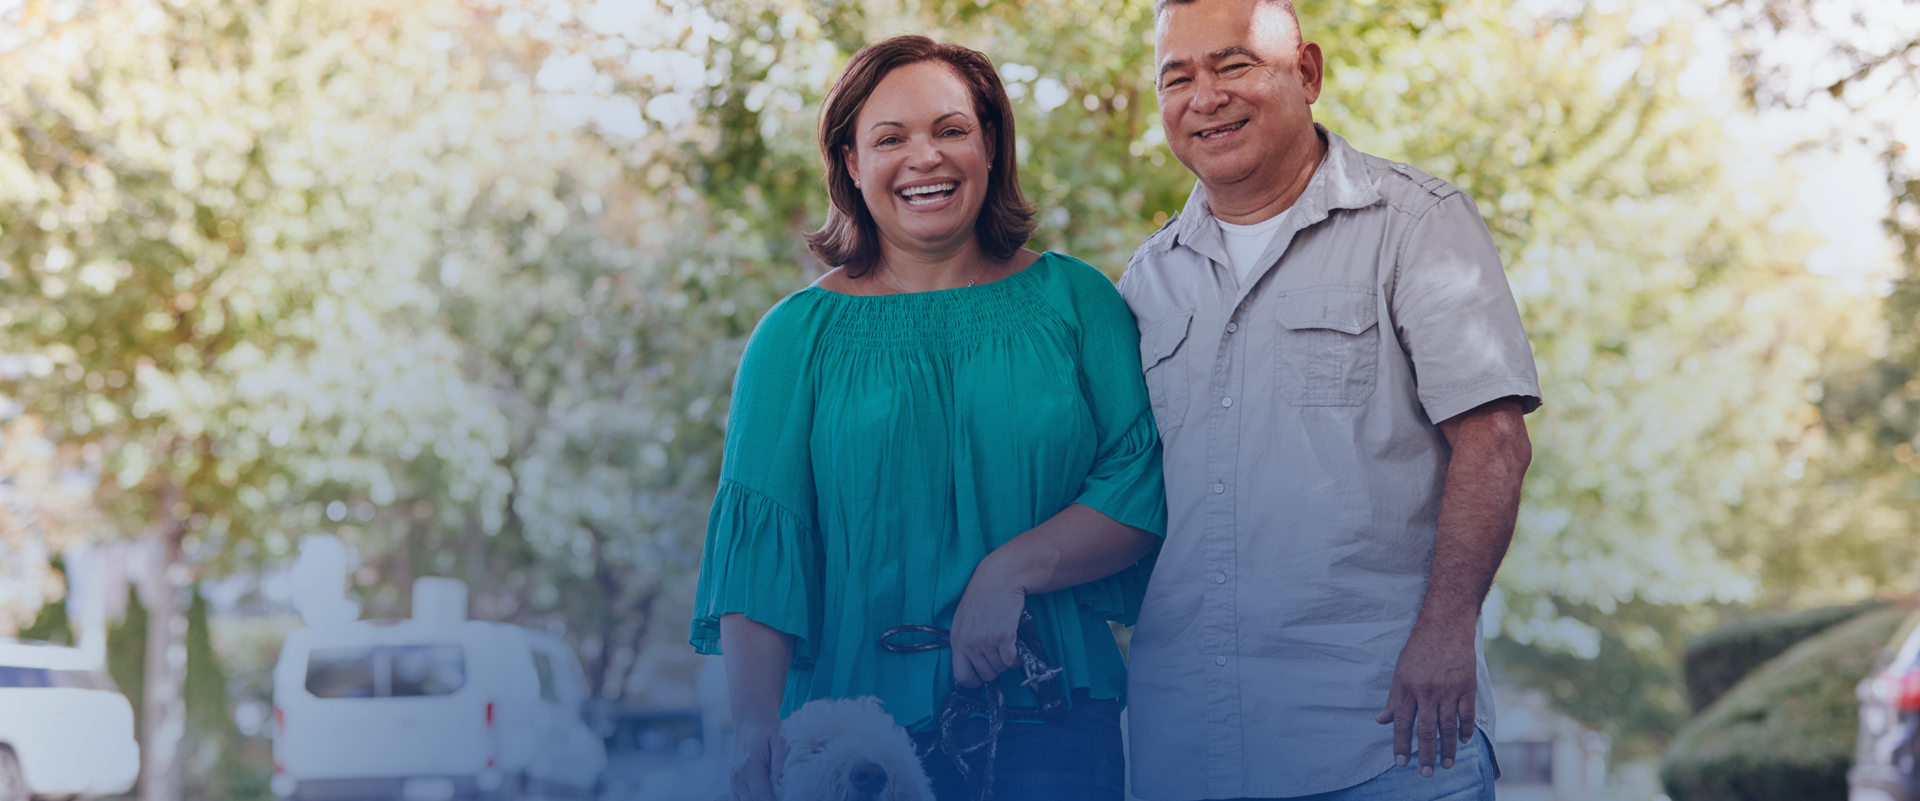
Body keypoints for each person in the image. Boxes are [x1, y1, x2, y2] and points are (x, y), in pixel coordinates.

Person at [689, 34, 1166, 801]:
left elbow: (1140, 489)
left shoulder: (1079, 304)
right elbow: (762, 554)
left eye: (951, 130)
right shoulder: (792, 338)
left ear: (990, 145)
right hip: (851, 740)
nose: (926, 158)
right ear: (851, 162)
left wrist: (1008, 571)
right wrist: (753, 725)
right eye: (890, 138)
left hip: (1050, 716)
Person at [1116, 0, 1540, 798]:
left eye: (1233, 64)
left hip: (1385, 735)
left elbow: (1494, 440)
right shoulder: (1149, 278)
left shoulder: (1417, 225)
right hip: (1190, 745)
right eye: (1179, 77)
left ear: (1306, 73)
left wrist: (1449, 631)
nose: (1204, 97)